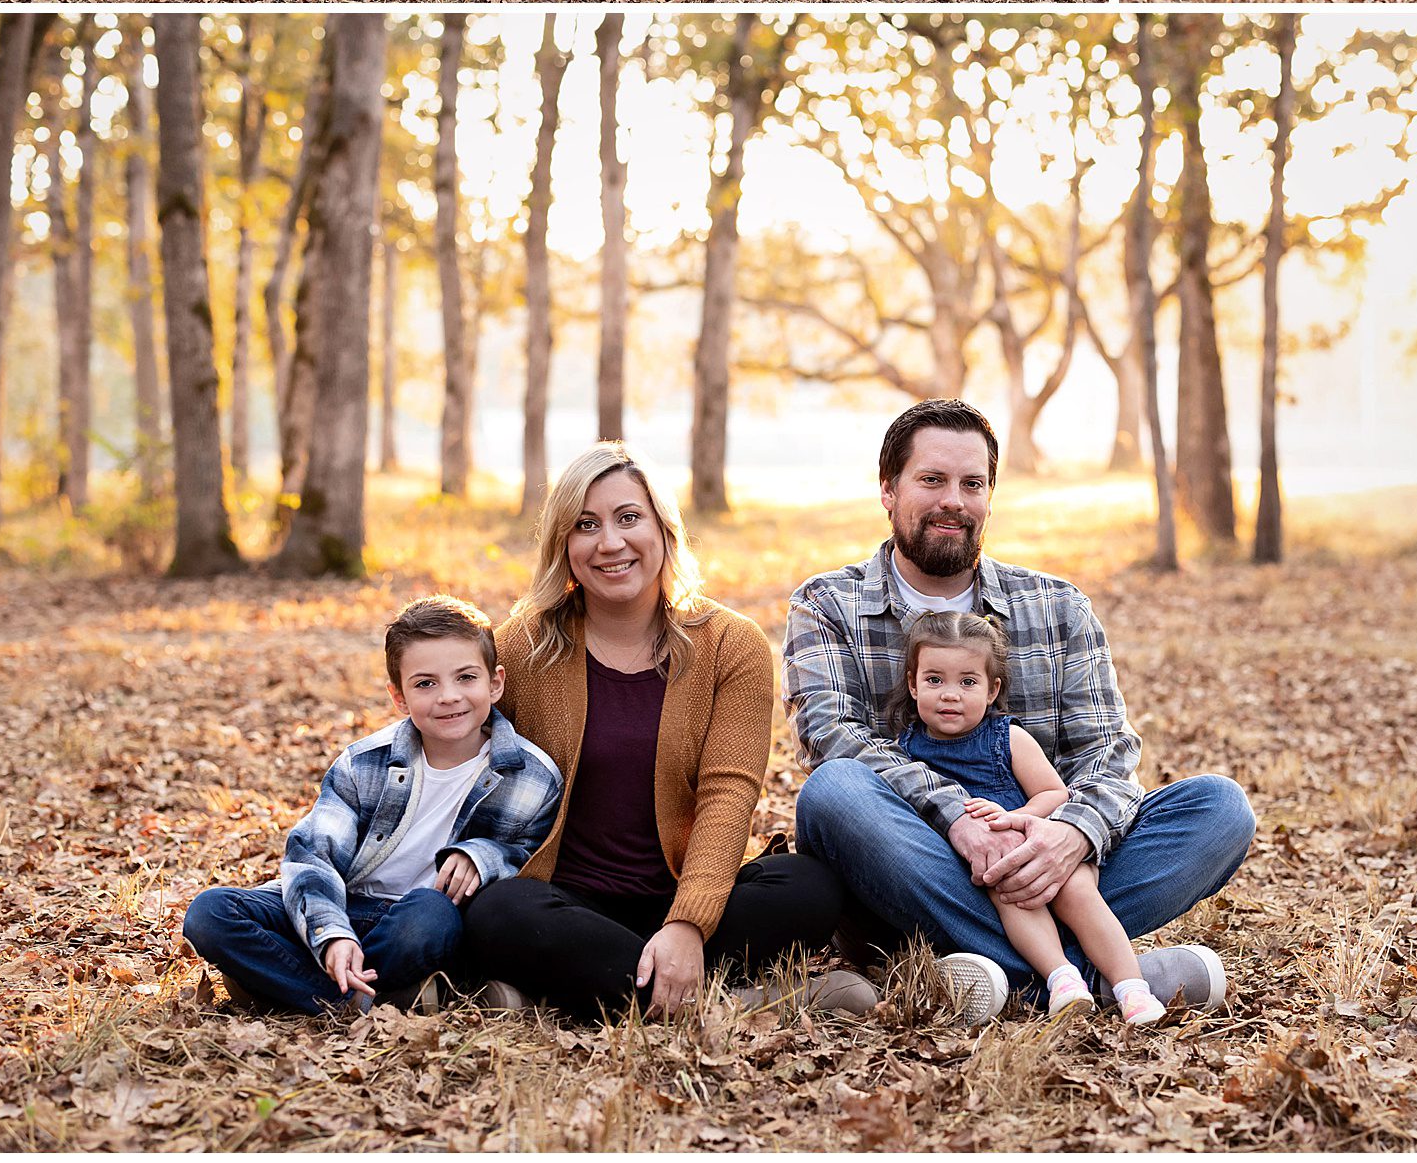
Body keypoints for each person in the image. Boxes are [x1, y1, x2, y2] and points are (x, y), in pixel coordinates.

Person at [786, 400, 1256, 1027]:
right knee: (835, 792)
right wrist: (957, 818)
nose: (953, 501)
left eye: (972, 484)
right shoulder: (827, 605)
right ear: (888, 490)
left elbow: (1107, 756)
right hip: (914, 867)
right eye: (932, 480)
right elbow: (831, 738)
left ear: (990, 495)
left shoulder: (1059, 607)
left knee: (1220, 808)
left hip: (1053, 863)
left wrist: (1069, 835)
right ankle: (1114, 977)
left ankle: (1003, 975)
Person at [457, 444, 857, 1019]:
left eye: (628, 518)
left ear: (664, 530)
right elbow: (452, 757)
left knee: (811, 886)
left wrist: (688, 924)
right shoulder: (523, 646)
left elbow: (728, 793)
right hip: (565, 901)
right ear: (562, 545)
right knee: (497, 912)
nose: (610, 543)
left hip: (684, 891)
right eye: (585, 525)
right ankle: (734, 1003)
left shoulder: (730, 644)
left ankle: (581, 990)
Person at [181, 597, 562, 1014]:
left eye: (466, 677)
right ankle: (365, 998)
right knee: (210, 912)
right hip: (346, 902)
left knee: (429, 916)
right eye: (425, 684)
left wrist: (483, 856)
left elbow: (532, 860)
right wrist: (332, 933)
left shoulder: (533, 776)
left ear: (495, 683)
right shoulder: (364, 762)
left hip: (420, 923)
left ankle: (290, 983)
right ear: (399, 697)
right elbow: (314, 853)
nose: (449, 696)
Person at [886, 611, 1166, 1024]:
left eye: (968, 682)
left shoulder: (1006, 737)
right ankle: (1063, 979)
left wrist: (1015, 818)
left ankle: (1132, 989)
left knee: (1078, 894)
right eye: (934, 680)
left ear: (992, 689)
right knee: (1013, 895)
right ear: (913, 685)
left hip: (1042, 841)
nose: (950, 695)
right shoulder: (905, 752)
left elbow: (1053, 793)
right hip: (982, 872)